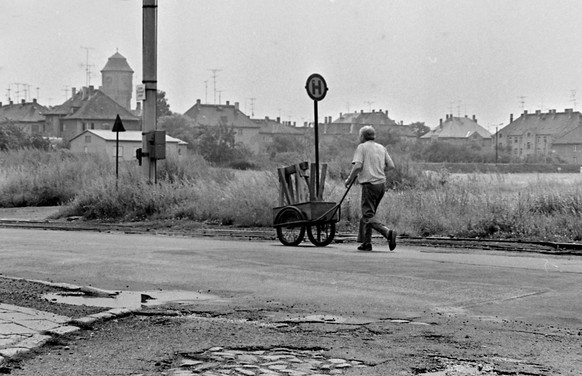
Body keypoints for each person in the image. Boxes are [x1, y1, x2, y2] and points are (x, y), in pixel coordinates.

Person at [344, 125, 396, 251]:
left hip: (369, 185)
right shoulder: (381, 147)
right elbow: (391, 165)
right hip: (381, 185)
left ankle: (387, 233)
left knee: (367, 215)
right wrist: (377, 169)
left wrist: (349, 179)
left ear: (362, 136)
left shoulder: (362, 147)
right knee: (370, 214)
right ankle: (366, 243)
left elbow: (357, 167)